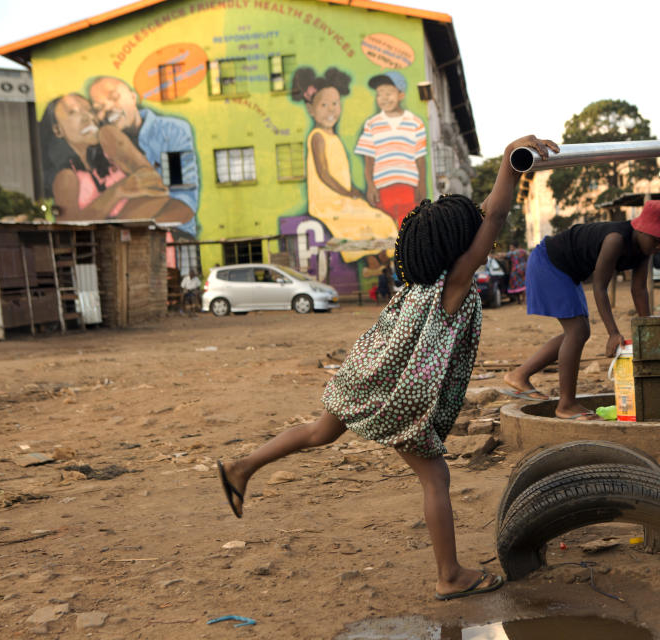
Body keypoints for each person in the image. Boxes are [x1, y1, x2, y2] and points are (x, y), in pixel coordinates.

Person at [217, 135, 559, 600]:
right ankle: (450, 575)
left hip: (365, 371)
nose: (480, 236)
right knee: (435, 476)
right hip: (397, 393)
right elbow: (494, 215)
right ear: (460, 248)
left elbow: (482, 217)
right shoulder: (452, 285)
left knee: (320, 432)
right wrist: (509, 163)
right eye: (472, 235)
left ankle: (241, 468)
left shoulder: (419, 280)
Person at [503, 201, 660, 419]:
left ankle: (519, 375)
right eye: (656, 239)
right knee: (578, 331)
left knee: (577, 332)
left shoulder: (645, 249)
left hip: (567, 270)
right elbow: (599, 287)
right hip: (549, 261)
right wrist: (613, 332)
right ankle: (566, 405)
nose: (659, 246)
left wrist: (649, 332)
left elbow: (639, 289)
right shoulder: (616, 239)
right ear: (641, 228)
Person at [292, 66, 398, 268]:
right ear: (311, 109)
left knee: (379, 219)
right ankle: (373, 262)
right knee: (357, 221)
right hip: (327, 200)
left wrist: (352, 192)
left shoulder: (335, 138)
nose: (331, 109)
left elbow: (341, 174)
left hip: (343, 197)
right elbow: (323, 174)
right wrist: (348, 192)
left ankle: (381, 261)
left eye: (335, 103)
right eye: (324, 105)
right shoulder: (317, 137)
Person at [40, 93, 174, 222]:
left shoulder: (108, 137)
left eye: (90, 110)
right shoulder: (65, 177)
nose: (87, 117)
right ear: (57, 130)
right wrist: (117, 192)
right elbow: (69, 230)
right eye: (73, 112)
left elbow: (155, 186)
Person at [88, 76, 198, 229]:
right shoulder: (100, 147)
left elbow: (182, 199)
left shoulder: (169, 132)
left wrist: (138, 231)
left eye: (114, 97)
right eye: (98, 108)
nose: (107, 108)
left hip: (171, 235)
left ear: (133, 98)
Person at [355, 70, 427, 226]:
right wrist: (371, 186)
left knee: (409, 229)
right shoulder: (372, 124)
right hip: (382, 189)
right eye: (379, 94)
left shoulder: (415, 122)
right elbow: (369, 160)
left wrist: (422, 186)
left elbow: (420, 159)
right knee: (385, 230)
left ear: (401, 95)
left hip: (409, 188)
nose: (383, 98)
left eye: (388, 93)